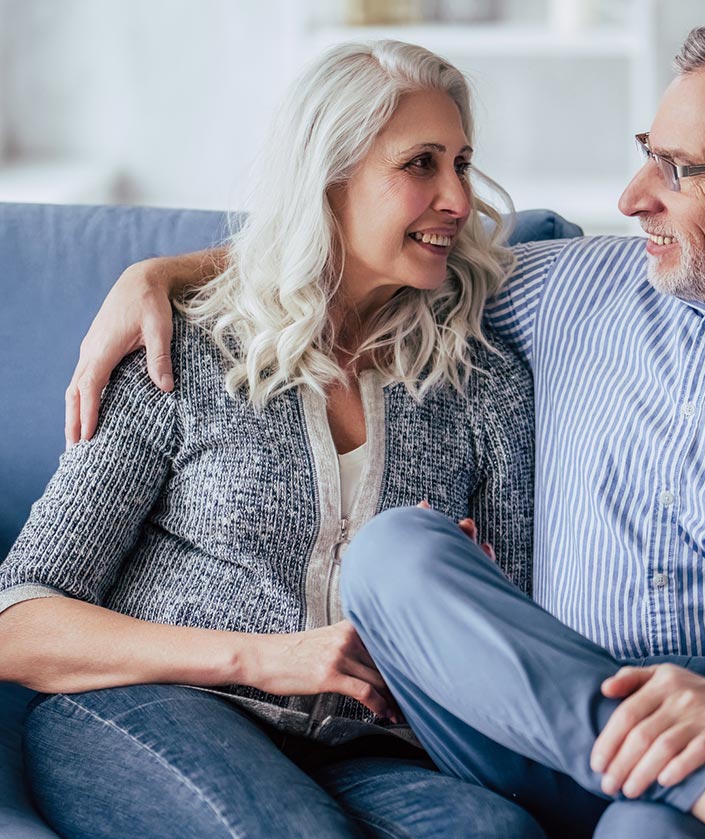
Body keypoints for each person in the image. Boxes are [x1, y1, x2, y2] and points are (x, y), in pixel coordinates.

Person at [57, 10, 705, 839]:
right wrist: (162, 272)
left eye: (678, 169)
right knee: (396, 548)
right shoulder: (574, 286)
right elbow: (354, 247)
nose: (631, 197)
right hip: (533, 719)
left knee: (646, 834)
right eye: (644, 151)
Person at [0, 40, 545, 839]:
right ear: (329, 177)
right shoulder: (183, 347)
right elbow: (19, 620)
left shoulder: (479, 380)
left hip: (367, 748)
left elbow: (510, 635)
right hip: (150, 708)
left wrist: (464, 609)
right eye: (421, 164)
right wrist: (263, 657)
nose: (458, 198)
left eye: (462, 163)